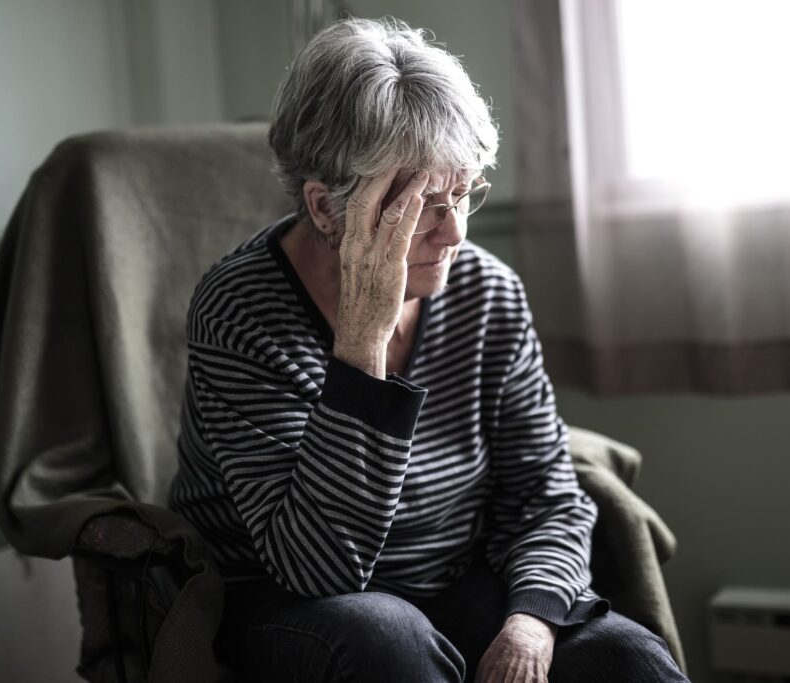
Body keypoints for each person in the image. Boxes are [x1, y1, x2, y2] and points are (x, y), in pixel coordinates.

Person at [169, 16, 688, 683]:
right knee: (388, 637)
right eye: (416, 205)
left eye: (463, 192)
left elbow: (546, 494)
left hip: (453, 578)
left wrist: (530, 619)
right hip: (285, 600)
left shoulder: (487, 291)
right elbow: (319, 567)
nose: (452, 233)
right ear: (326, 208)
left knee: (628, 657)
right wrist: (361, 345)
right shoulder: (239, 308)